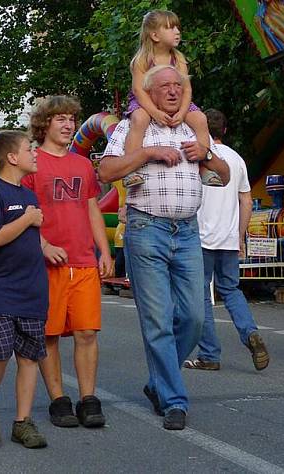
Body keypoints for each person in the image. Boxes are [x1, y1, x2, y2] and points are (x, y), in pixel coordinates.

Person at [98, 65, 230, 430]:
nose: (173, 92)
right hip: (146, 230)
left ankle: (158, 381)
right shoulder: (132, 126)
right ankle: (173, 400)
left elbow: (224, 175)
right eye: (164, 87)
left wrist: (204, 155)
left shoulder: (194, 126)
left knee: (194, 317)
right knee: (157, 320)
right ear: (149, 94)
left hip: (187, 232)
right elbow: (106, 172)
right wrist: (148, 153)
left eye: (178, 86)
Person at [21, 96, 112, 428]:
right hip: (47, 264)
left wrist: (104, 250)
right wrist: (43, 244)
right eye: (60, 119)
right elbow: (24, 212)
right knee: (50, 334)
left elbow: (92, 208)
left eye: (72, 119)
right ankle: (58, 400)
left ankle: (88, 399)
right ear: (45, 124)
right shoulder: (32, 163)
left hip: (84, 260)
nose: (68, 125)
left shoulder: (83, 165)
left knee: (87, 331)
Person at [0, 130, 48, 449]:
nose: (35, 154)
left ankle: (23, 421)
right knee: (1, 350)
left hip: (32, 289)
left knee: (29, 357)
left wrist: (46, 243)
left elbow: (31, 238)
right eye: (29, 149)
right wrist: (28, 219)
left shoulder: (30, 196)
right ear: (12, 158)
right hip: (0, 290)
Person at [184, 109, 270, 372]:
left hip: (200, 237)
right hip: (229, 238)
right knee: (231, 290)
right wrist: (240, 236)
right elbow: (246, 201)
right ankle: (250, 332)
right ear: (226, 130)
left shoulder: (197, 157)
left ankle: (209, 354)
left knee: (201, 295)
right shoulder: (237, 159)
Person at [122, 10, 222, 189]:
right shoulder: (143, 59)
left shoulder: (179, 58)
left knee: (200, 119)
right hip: (145, 100)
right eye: (170, 28)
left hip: (178, 100)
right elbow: (138, 89)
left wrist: (183, 112)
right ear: (154, 35)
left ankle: (204, 167)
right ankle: (131, 168)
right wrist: (154, 112)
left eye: (177, 27)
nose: (177, 31)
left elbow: (186, 88)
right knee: (139, 119)